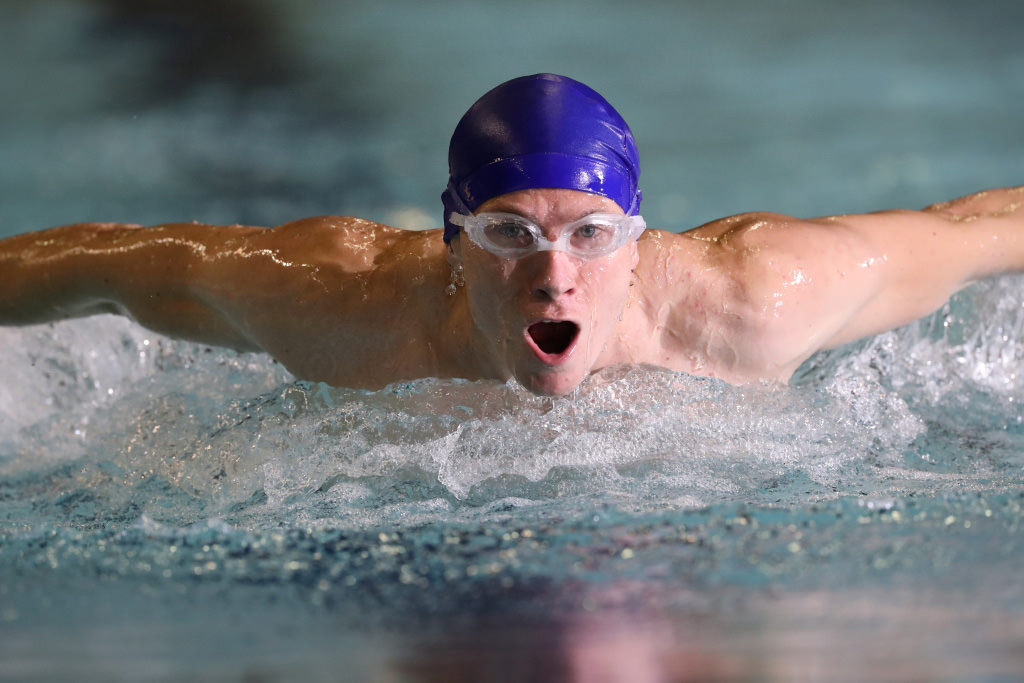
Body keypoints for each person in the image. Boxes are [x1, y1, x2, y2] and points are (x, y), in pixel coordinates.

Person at [1, 74, 1022, 396]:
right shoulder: (341, 306)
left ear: (636, 238)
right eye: (506, 233)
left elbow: (972, 230)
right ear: (450, 242)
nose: (552, 274)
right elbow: (112, 259)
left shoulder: (758, 295)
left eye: (590, 233)